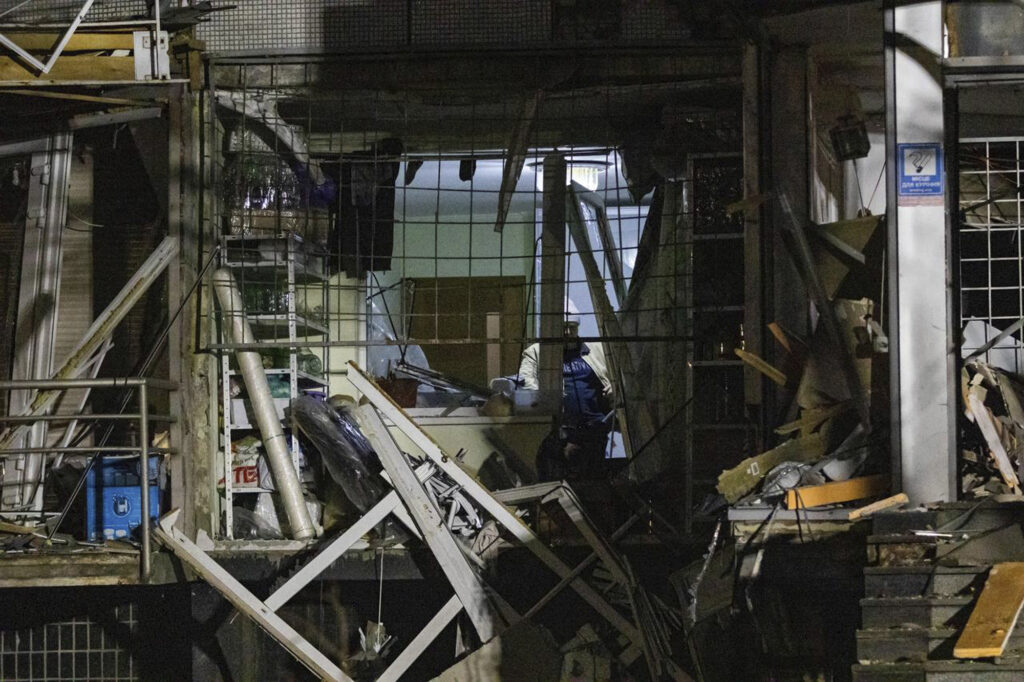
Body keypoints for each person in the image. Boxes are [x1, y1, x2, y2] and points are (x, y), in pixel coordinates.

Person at [516, 319, 614, 479]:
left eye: (572, 327)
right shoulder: (537, 352)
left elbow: (618, 376)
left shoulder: (596, 349)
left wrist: (614, 387)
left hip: (597, 427)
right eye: (563, 327)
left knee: (594, 477)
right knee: (563, 476)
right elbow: (525, 380)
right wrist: (545, 396)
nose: (568, 332)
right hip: (563, 430)